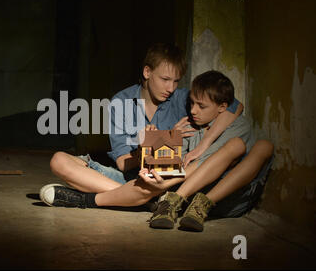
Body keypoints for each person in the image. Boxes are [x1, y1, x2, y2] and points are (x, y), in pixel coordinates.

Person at [39, 43, 243, 206]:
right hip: (130, 179)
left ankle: (133, 199)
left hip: (167, 182)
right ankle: (134, 199)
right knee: (59, 160)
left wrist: (202, 146)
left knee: (156, 185)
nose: (170, 88)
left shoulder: (184, 98)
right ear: (147, 72)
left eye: (175, 81)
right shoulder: (121, 102)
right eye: (165, 79)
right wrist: (148, 146)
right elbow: (121, 163)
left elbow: (235, 105)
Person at [142, 71, 274, 232]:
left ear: (223, 107)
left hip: (228, 198)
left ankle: (198, 203)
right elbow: (171, 167)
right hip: (188, 199)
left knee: (260, 146)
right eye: (192, 103)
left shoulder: (238, 125)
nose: (193, 111)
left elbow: (211, 157)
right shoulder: (189, 127)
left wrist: (199, 149)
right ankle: (171, 202)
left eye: (201, 106)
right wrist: (161, 140)